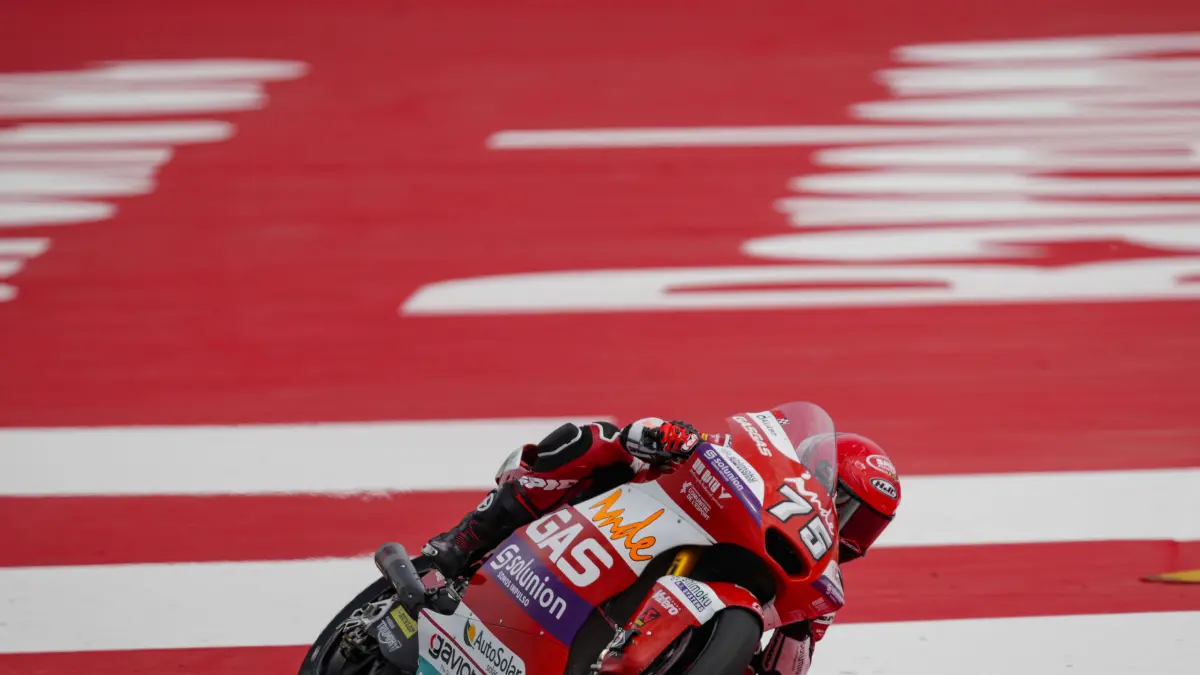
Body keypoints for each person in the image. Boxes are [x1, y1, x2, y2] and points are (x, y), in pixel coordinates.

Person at [421, 417, 902, 675]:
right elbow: (669, 436)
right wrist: (664, 436)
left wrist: (797, 633)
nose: (850, 531)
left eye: (867, 525)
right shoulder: (755, 466)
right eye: (847, 506)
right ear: (816, 468)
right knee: (595, 440)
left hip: (719, 599)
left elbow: (787, 671)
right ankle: (459, 548)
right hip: (636, 511)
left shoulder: (818, 592)